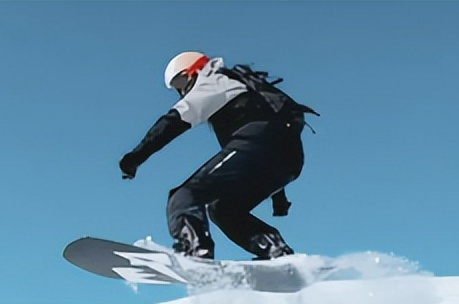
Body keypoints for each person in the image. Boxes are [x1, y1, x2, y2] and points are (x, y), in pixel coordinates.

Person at [118, 52, 317, 260]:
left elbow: (172, 122)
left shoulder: (213, 81)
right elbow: (272, 151)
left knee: (184, 196)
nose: (182, 91)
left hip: (255, 145)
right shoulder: (246, 94)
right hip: (288, 160)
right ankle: (276, 252)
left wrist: (135, 157)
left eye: (180, 81)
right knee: (222, 209)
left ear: (195, 70)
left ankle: (195, 251)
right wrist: (279, 198)